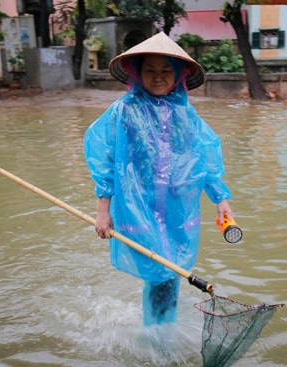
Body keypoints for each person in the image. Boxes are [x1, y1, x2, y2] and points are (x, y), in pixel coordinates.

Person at [83, 32, 235, 326]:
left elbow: (206, 159)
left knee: (171, 269)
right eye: (150, 70)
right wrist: (103, 211)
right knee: (160, 271)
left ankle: (159, 329)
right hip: (140, 206)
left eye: (166, 70)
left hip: (178, 207)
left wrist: (221, 200)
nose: (158, 77)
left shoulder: (186, 114)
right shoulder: (125, 111)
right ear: (137, 73)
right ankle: (155, 336)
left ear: (178, 74)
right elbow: (104, 160)